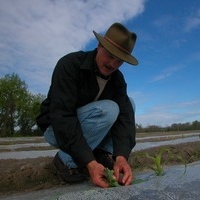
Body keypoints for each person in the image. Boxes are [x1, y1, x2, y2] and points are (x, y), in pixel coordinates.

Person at [36, 22, 139, 188]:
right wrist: (89, 163)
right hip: (55, 128)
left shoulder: (118, 80)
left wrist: (121, 157)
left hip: (87, 128)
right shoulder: (70, 65)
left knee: (128, 104)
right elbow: (62, 116)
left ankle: (104, 155)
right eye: (110, 55)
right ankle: (65, 161)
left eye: (119, 61)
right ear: (99, 46)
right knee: (110, 109)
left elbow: (125, 118)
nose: (113, 64)